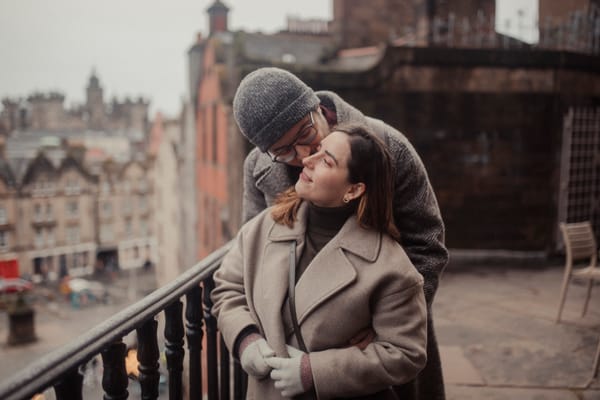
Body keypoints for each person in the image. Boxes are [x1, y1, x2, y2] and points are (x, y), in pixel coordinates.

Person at [232, 67, 449, 399]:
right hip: (288, 365)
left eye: (305, 134)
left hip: (373, 354)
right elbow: (251, 263)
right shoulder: (257, 169)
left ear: (316, 106)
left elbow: (428, 244)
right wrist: (248, 338)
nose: (303, 156)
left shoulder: (389, 146)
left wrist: (388, 324)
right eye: (284, 151)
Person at [212, 124, 427, 399]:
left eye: (326, 161)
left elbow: (406, 353)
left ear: (354, 189)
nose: (307, 160)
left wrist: (313, 372)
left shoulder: (390, 267)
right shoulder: (262, 228)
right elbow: (227, 288)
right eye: (317, 151)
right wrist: (245, 339)